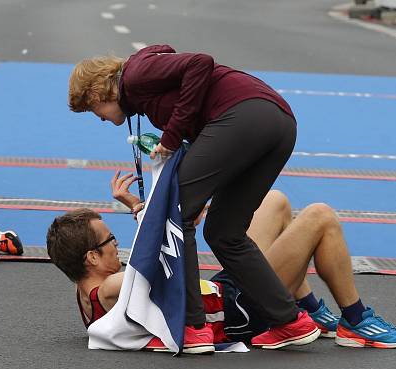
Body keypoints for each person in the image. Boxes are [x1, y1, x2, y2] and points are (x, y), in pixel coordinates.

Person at [68, 44, 310, 349]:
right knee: (224, 232)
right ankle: (290, 322)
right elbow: (164, 50)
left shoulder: (133, 75)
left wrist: (171, 136)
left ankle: (193, 326)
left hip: (242, 115)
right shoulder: (141, 81)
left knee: (177, 210)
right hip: (278, 122)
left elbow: (200, 63)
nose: (100, 118)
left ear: (96, 94)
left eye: (93, 111)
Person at [46, 184, 396, 351]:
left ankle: (307, 307)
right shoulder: (108, 289)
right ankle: (355, 322)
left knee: (274, 202)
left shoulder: (86, 290)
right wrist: (154, 213)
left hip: (228, 290)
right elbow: (162, 259)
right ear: (91, 259)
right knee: (320, 216)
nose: (117, 246)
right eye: (110, 242)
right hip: (243, 308)